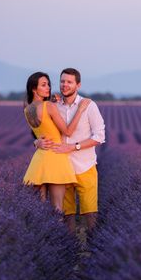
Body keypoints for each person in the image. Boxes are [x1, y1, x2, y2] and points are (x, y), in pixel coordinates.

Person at [36, 68, 105, 234]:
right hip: (62, 167)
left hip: (85, 166)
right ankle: (71, 250)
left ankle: (93, 250)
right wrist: (36, 141)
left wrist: (74, 147)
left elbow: (99, 136)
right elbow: (43, 131)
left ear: (78, 85)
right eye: (62, 81)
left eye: (69, 82)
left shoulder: (88, 106)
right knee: (67, 215)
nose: (64, 85)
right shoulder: (53, 106)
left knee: (90, 213)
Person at [23, 71, 91, 213]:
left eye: (48, 84)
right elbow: (67, 131)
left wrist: (36, 142)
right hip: (56, 157)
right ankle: (57, 235)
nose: (48, 87)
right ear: (34, 89)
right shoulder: (49, 106)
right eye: (43, 85)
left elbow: (41, 132)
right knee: (57, 210)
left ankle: (40, 236)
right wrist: (80, 109)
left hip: (39, 160)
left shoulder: (27, 109)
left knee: (37, 211)